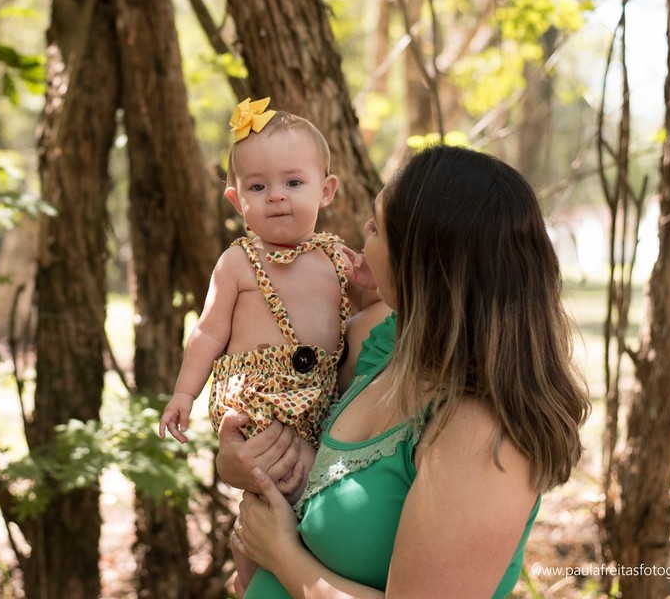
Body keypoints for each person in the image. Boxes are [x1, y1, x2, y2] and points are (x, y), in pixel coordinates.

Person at [222, 144, 590, 598]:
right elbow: (287, 418)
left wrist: (282, 555)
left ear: (424, 265)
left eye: (376, 229)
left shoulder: (483, 436)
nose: (363, 239)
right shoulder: (386, 344)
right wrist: (242, 463)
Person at [159, 97, 384, 449]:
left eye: (293, 183)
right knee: (273, 471)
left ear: (325, 191)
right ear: (237, 201)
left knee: (308, 482)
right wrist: (185, 393)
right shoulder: (238, 261)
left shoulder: (336, 259)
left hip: (322, 405)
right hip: (253, 406)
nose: (276, 196)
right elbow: (207, 333)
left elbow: (372, 315)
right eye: (258, 187)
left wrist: (372, 284)